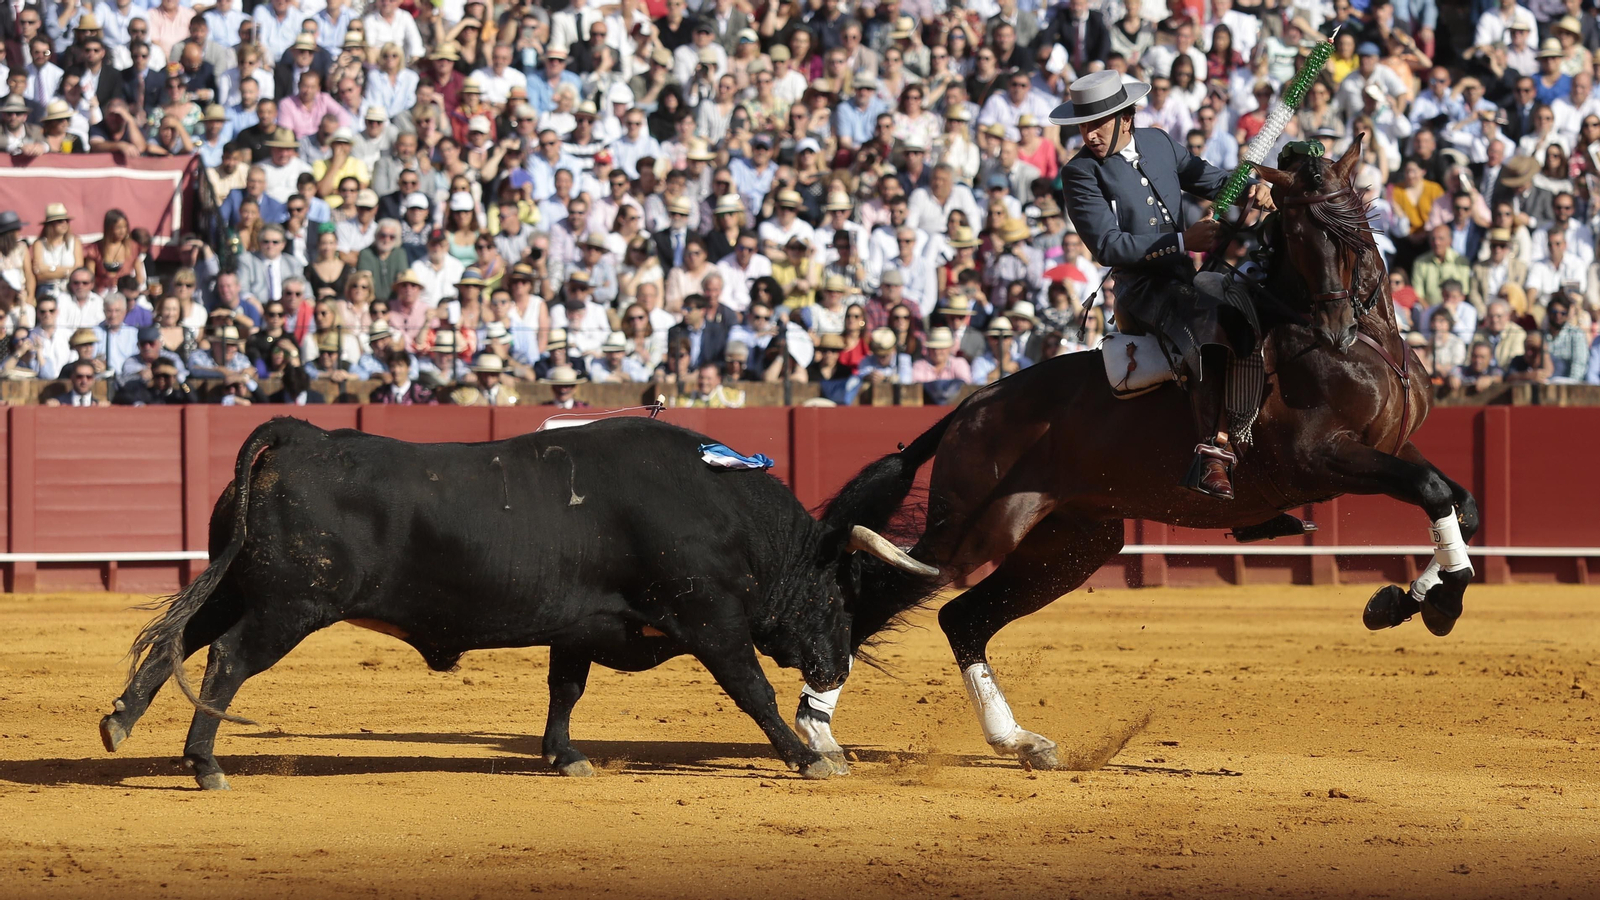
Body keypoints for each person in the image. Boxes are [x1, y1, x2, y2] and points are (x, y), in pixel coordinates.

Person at [1056, 71, 1275, 500]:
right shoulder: (1080, 172)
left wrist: (1255, 189)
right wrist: (1182, 241)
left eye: (1098, 122)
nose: (1089, 134)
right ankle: (1212, 457)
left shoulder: (1158, 142)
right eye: (1083, 125)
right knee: (1207, 327)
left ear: (1126, 117)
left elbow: (1214, 181)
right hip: (1139, 289)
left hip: (1183, 280)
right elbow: (1107, 245)